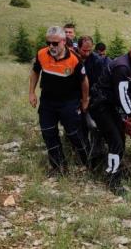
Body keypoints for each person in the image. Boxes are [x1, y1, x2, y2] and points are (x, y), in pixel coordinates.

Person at [89, 38, 131, 194]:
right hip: (101, 106)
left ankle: (111, 169)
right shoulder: (122, 67)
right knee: (116, 141)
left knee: (120, 140)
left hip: (110, 106)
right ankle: (112, 180)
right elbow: (121, 94)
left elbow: (129, 92)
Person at [29, 26, 90, 175]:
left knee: (74, 133)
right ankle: (58, 167)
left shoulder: (74, 59)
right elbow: (35, 72)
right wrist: (31, 92)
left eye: (55, 43)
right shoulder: (42, 54)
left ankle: (88, 161)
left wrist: (85, 100)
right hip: (48, 101)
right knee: (48, 133)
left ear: (63, 41)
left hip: (68, 102)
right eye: (48, 42)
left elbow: (84, 81)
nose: (51, 46)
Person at [76, 35, 109, 163]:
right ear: (78, 47)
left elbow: (100, 82)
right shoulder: (73, 58)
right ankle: (81, 152)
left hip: (92, 99)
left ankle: (97, 152)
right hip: (75, 98)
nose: (87, 53)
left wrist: (88, 97)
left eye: (89, 50)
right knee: (77, 126)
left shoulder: (97, 61)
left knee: (93, 126)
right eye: (84, 50)